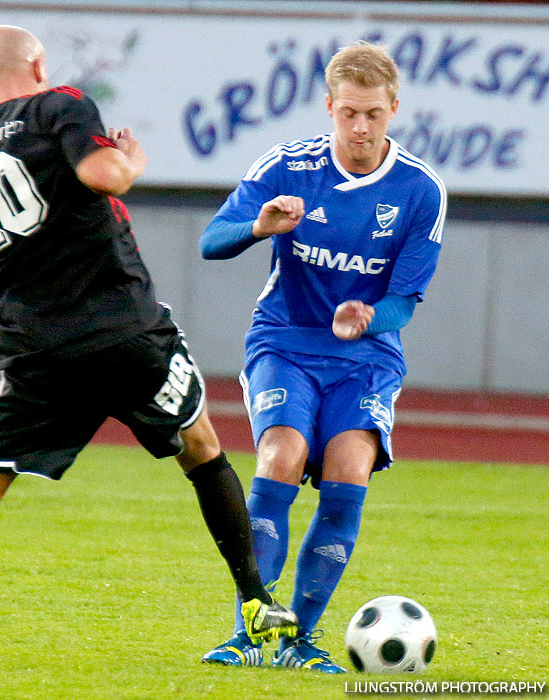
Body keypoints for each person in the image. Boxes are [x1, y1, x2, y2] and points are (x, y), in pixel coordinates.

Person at [0, 24, 296, 658]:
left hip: (35, 350)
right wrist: (132, 160)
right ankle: (257, 600)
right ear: (39, 65)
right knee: (203, 451)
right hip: (126, 330)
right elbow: (106, 176)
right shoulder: (62, 103)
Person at [199, 41, 446, 672]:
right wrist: (260, 227)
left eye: (373, 114)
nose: (360, 128)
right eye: (348, 114)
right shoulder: (287, 168)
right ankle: (249, 630)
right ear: (328, 107)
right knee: (281, 455)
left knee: (347, 476)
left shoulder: (420, 190)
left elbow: (405, 300)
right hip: (284, 339)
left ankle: (301, 641)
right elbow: (211, 241)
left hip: (366, 354)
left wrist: (369, 316)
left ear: (394, 108)